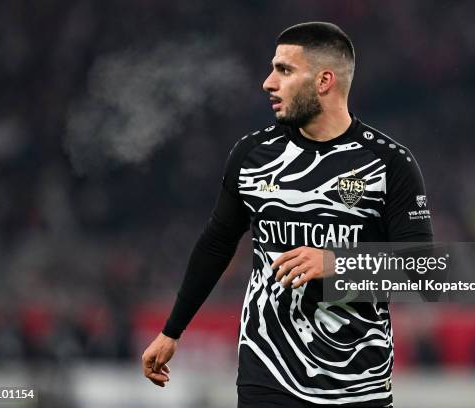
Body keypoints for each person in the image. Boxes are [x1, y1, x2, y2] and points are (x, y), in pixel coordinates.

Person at [141, 21, 432, 407]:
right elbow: (217, 243)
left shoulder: (388, 163)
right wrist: (171, 331)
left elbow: (426, 269)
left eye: (284, 70)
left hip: (358, 382)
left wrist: (337, 264)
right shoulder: (252, 156)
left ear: (324, 80)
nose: (268, 82)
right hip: (268, 373)